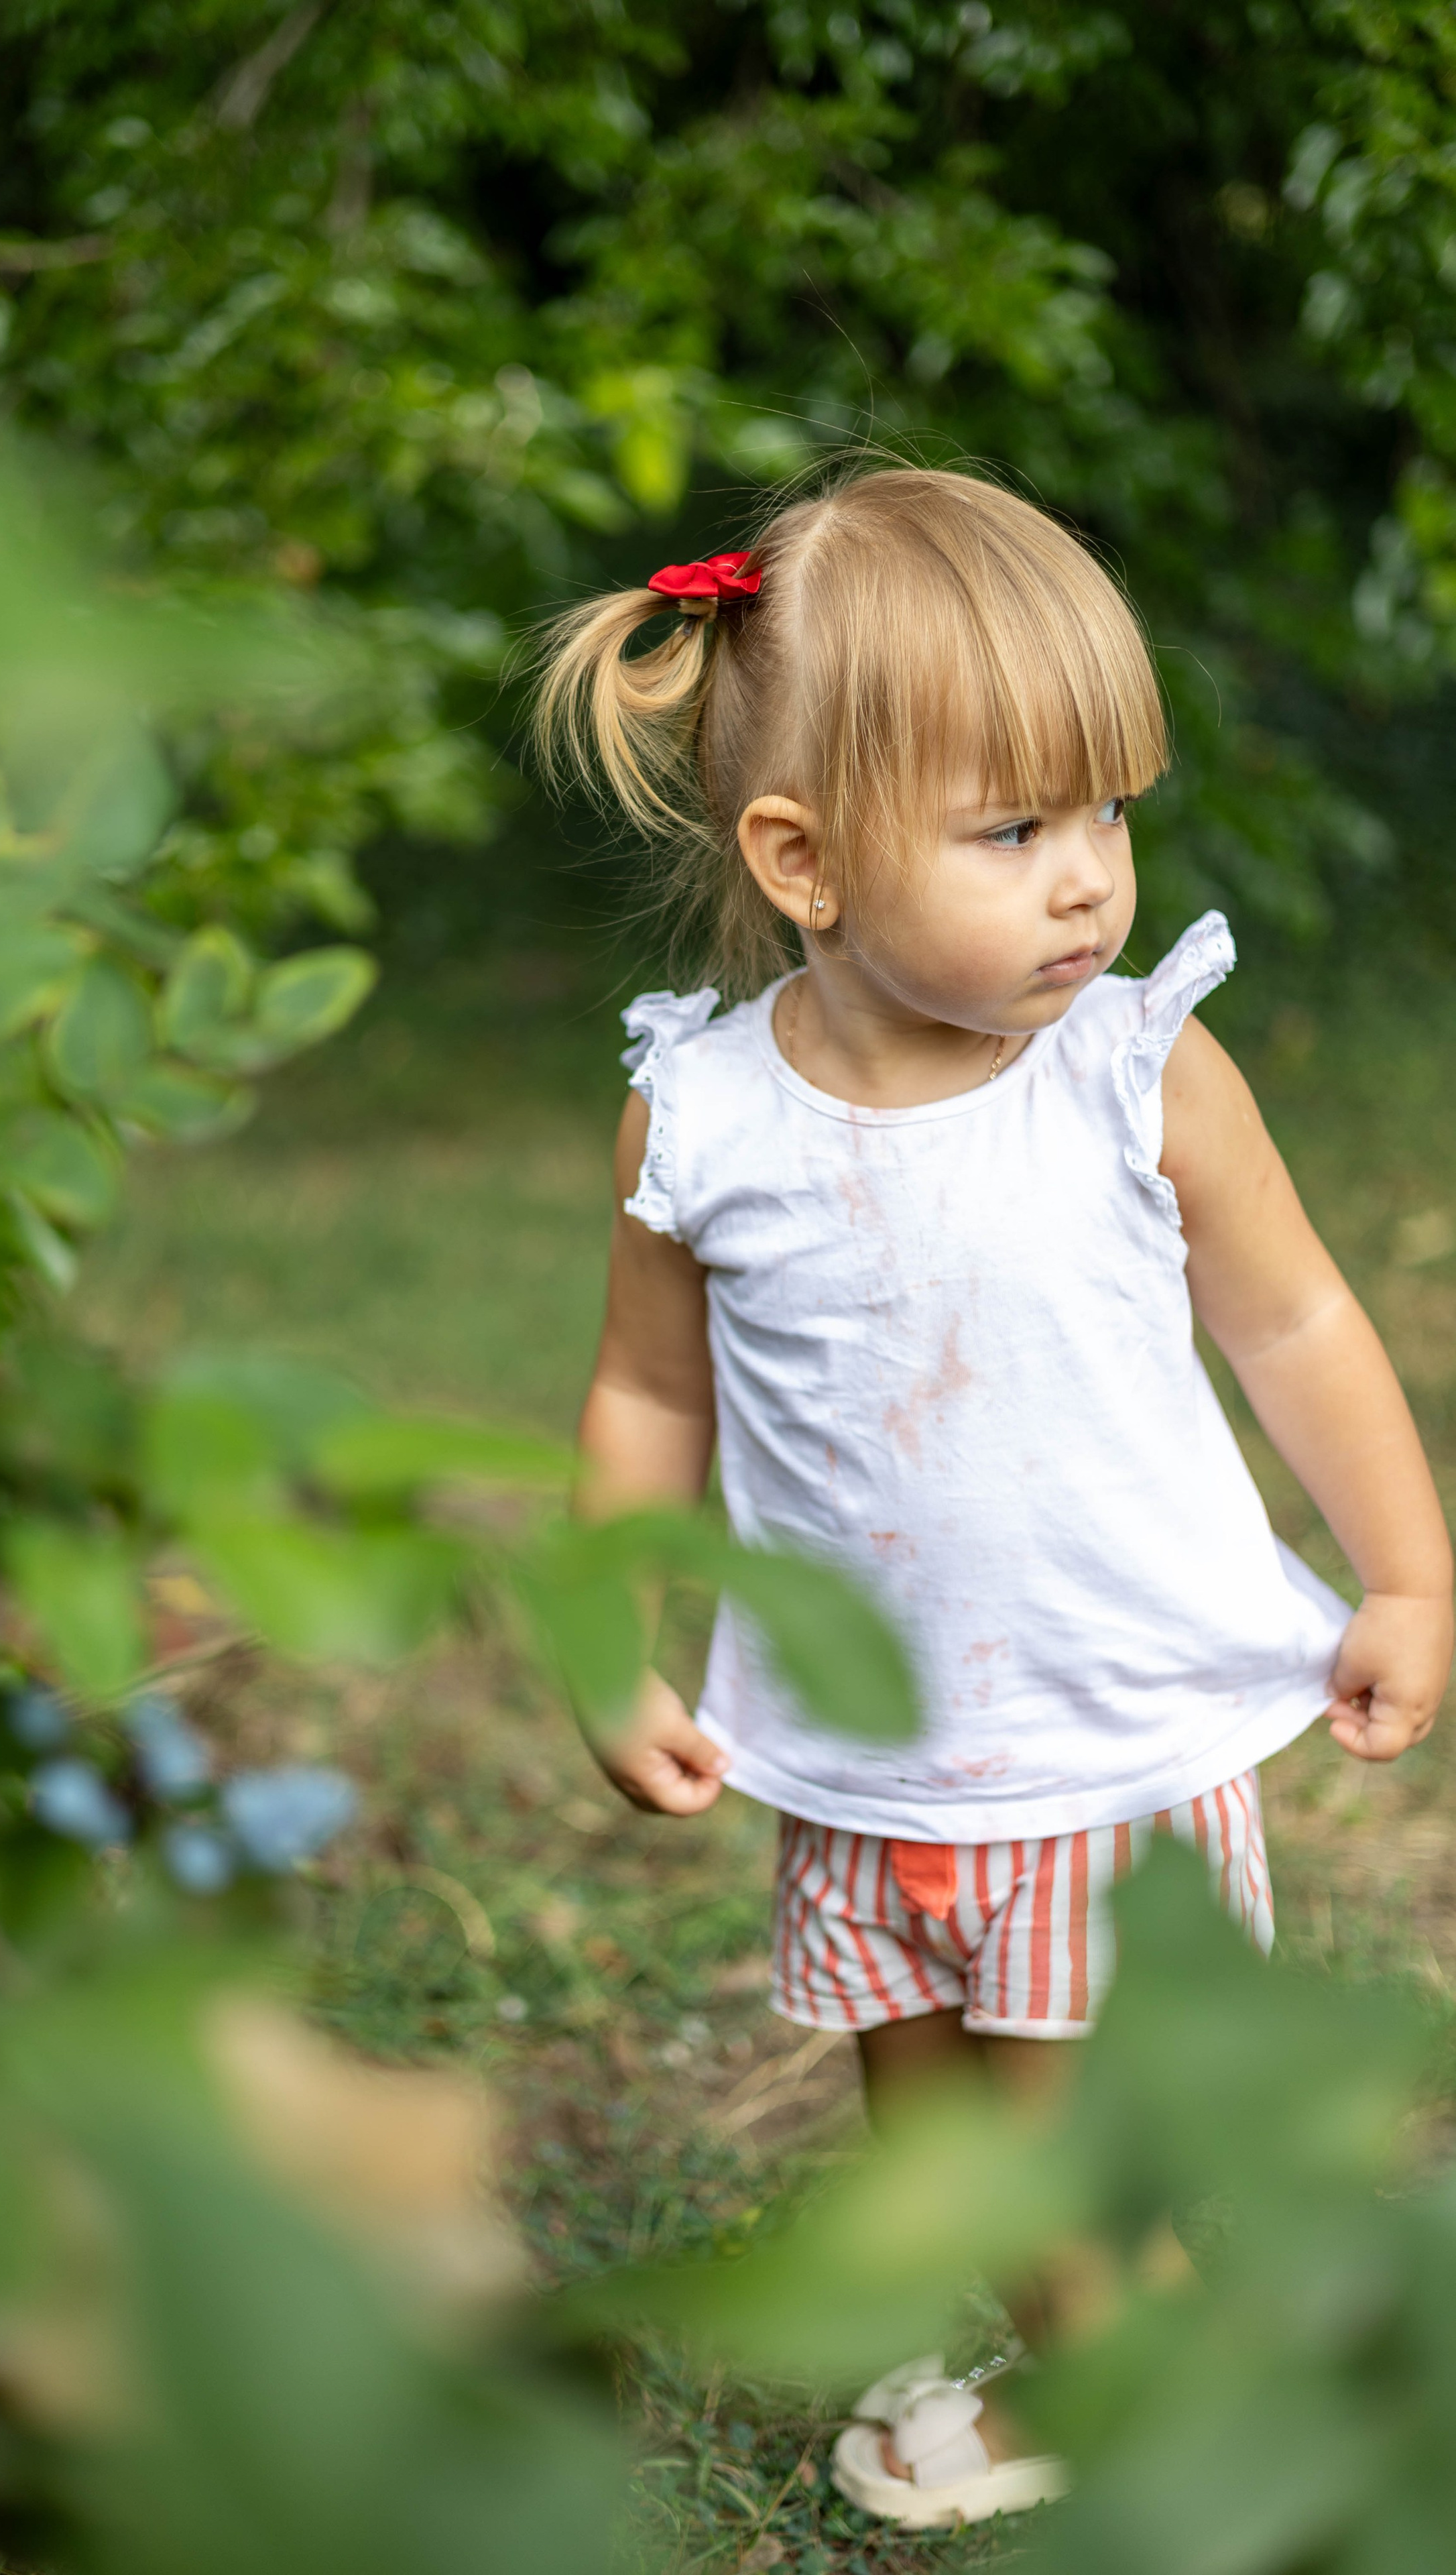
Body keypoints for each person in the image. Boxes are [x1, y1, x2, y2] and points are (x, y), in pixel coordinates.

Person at [534, 465, 1454, 2528]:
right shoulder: (701, 1115)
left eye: (1109, 811)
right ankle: (1091, 2342)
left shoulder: (1137, 1074)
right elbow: (640, 1397)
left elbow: (1295, 1323)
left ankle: (1144, 2407)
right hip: (869, 1756)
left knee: (1060, 2138)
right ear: (804, 860)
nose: (1089, 884)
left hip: (1096, 1743)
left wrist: (1405, 1570)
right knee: (930, 2101)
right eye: (1016, 828)